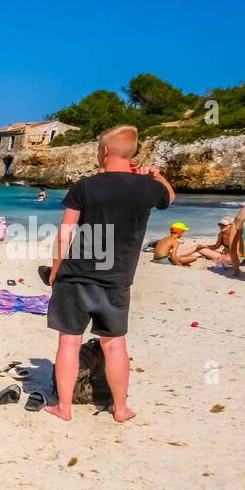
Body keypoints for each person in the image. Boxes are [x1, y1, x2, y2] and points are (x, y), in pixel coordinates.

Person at [43, 125, 174, 423]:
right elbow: (170, 197)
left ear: (103, 150)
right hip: (116, 279)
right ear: (132, 154)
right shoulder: (148, 188)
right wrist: (154, 175)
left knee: (69, 341)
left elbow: (66, 232)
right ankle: (121, 408)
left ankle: (64, 408)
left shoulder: (85, 186)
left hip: (77, 276)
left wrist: (56, 267)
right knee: (114, 345)